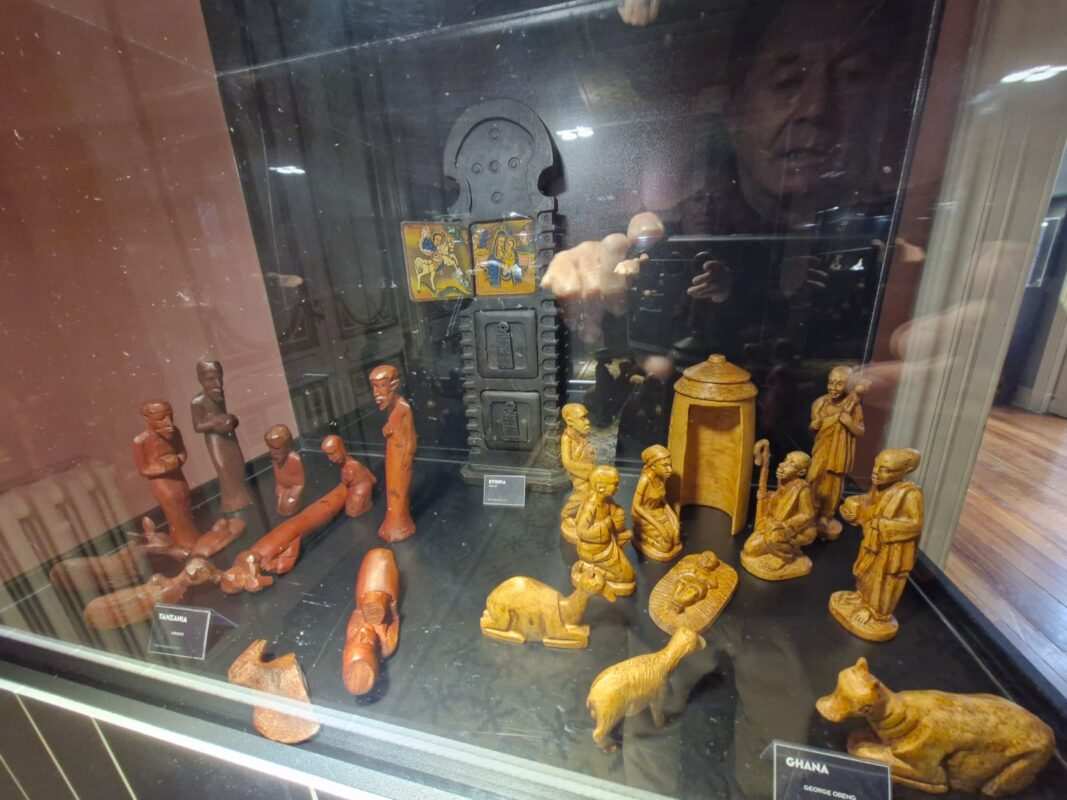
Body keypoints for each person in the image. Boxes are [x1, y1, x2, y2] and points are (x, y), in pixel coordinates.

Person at [831, 448, 923, 641]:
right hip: (873, 542)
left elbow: (915, 525)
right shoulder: (879, 487)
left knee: (883, 579)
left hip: (892, 549)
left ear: (903, 472)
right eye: (876, 466)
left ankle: (877, 613)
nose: (876, 472)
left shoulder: (910, 494)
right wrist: (852, 505)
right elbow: (868, 502)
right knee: (867, 572)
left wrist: (879, 524)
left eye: (885, 470)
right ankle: (862, 597)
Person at [132, 400, 199, 549]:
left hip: (178, 478)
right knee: (174, 510)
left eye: (170, 416)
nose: (169, 422)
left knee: (185, 504)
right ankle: (183, 540)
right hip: (162, 483)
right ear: (147, 419)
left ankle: (192, 536)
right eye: (161, 418)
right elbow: (143, 469)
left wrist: (177, 460)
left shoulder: (175, 432)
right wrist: (164, 466)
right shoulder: (141, 441)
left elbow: (182, 452)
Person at [808, 365, 865, 539]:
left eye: (839, 384)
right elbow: (813, 427)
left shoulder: (854, 406)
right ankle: (810, 511)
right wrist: (814, 425)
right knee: (813, 478)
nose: (833, 387)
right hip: (821, 450)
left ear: (848, 386)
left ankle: (826, 516)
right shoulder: (820, 403)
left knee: (833, 485)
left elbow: (860, 431)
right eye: (831, 383)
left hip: (839, 452)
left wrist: (849, 423)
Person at [741, 450, 816, 579]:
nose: (782, 465)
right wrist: (766, 497)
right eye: (786, 460)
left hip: (795, 530)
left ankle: (785, 557)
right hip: (773, 526)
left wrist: (785, 526)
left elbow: (807, 514)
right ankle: (780, 548)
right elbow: (779, 500)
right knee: (749, 549)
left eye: (791, 464)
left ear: (801, 473)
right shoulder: (783, 482)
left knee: (775, 537)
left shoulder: (803, 489)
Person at [190, 360, 252, 512]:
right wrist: (215, 422)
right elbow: (198, 426)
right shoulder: (197, 401)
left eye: (219, 378)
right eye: (211, 379)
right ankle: (232, 502)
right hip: (216, 441)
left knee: (238, 466)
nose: (217, 383)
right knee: (225, 471)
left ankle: (242, 497)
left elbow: (225, 415)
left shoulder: (219, 394)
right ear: (201, 379)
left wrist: (232, 419)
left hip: (229, 436)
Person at [369, 364, 416, 541]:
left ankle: (400, 525)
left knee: (398, 490)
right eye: (374, 387)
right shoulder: (394, 406)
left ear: (394, 385)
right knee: (392, 489)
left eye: (381, 386)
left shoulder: (402, 407)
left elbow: (388, 430)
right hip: (394, 452)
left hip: (401, 455)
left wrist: (407, 457)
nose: (376, 393)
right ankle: (394, 522)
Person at [574, 465, 636, 596]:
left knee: (629, 534)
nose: (618, 488)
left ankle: (596, 568)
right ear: (600, 487)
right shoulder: (591, 506)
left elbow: (615, 519)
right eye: (615, 484)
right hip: (594, 550)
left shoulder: (607, 500)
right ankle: (590, 568)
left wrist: (618, 514)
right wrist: (606, 524)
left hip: (607, 544)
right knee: (627, 577)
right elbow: (581, 532)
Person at [559, 403, 596, 543]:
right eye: (582, 418)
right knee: (584, 492)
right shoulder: (566, 439)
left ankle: (583, 516)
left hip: (587, 470)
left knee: (592, 493)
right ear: (569, 421)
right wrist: (589, 471)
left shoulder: (581, 436)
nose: (588, 421)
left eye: (587, 417)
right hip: (579, 473)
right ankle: (567, 513)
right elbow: (567, 462)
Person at [265, 424, 305, 517]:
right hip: (283, 488)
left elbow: (300, 483)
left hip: (294, 489)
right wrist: (280, 487)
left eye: (277, 448)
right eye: (270, 448)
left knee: (289, 504)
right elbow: (278, 478)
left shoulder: (294, 459)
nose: (273, 452)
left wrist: (293, 494)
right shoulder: (275, 460)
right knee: (281, 503)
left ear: (288, 446)